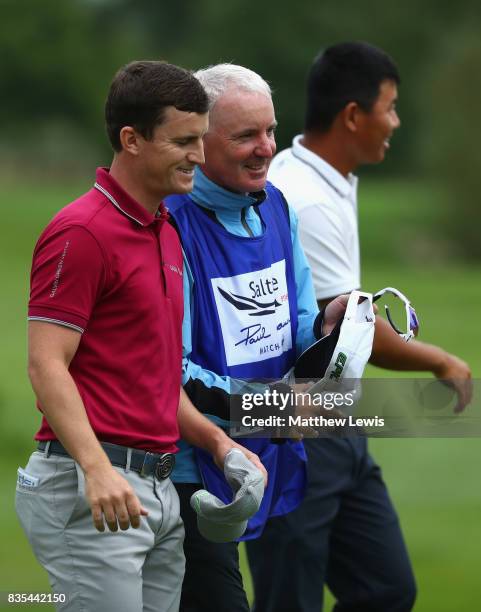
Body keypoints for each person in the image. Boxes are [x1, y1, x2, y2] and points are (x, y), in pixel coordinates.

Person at [15, 60, 266, 612]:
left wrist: (219, 443)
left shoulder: (166, 233)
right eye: (183, 142)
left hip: (156, 492)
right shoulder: (81, 232)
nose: (199, 157)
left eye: (201, 139)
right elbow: (46, 365)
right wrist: (97, 469)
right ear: (131, 139)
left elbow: (157, 382)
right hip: (94, 487)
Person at [246, 42, 473, 612]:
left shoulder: (323, 176)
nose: (395, 121)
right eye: (390, 107)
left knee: (386, 587)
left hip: (338, 424)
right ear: (353, 115)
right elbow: (348, 337)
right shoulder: (307, 200)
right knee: (289, 599)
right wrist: (439, 360)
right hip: (292, 428)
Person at [164, 64, 348, 612]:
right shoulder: (170, 224)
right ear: (199, 142)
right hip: (190, 467)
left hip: (270, 448)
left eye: (269, 131)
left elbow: (293, 324)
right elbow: (171, 372)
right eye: (245, 135)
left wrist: (326, 327)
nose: (265, 148)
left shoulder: (276, 205)